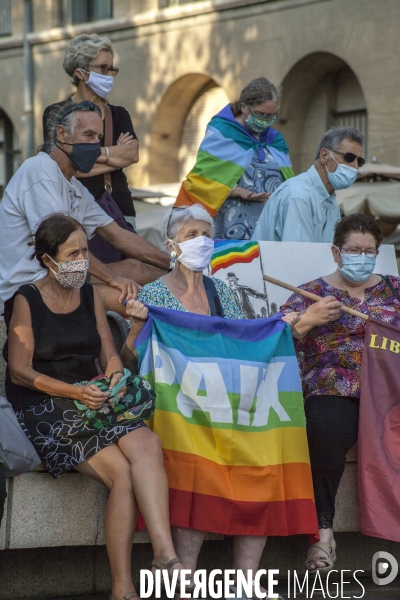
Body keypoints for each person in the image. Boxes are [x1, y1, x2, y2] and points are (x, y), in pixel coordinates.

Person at [2, 214, 183, 600]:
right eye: (73, 253)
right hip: (48, 405)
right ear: (49, 260)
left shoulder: (88, 293)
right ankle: (122, 587)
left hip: (94, 397)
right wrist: (76, 392)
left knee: (148, 445)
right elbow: (19, 371)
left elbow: (109, 353)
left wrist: (115, 374)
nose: (82, 260)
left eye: (84, 250)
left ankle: (166, 556)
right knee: (121, 474)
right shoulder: (26, 299)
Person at [121, 205, 295, 598]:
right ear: (171, 246)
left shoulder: (224, 292)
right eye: (190, 235)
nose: (202, 241)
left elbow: (244, 341)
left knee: (261, 462)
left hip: (225, 408)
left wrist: (286, 326)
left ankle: (245, 582)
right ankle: (184, 579)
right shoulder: (153, 294)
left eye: (206, 233)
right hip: (174, 413)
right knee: (194, 465)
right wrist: (134, 325)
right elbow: (130, 359)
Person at [280, 213, 400, 573]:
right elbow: (276, 336)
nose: (360, 257)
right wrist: (308, 319)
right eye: (352, 250)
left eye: (368, 251)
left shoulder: (395, 290)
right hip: (335, 386)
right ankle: (322, 535)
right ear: (336, 252)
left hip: (391, 390)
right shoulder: (310, 293)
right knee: (323, 429)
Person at [0, 101, 169, 316]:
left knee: (137, 268)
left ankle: (191, 293)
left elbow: (120, 236)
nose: (95, 146)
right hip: (30, 286)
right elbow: (63, 246)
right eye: (88, 136)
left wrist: (177, 264)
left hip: (65, 276)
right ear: (61, 134)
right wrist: (114, 279)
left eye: (98, 138)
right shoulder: (40, 170)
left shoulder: (75, 186)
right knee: (135, 302)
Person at [175, 77, 294, 240]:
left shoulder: (276, 140)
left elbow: (287, 183)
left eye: (270, 116)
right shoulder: (222, 132)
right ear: (244, 107)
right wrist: (238, 191)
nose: (265, 121)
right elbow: (203, 181)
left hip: (268, 229)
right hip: (228, 227)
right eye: (260, 114)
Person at [43, 33, 138, 229]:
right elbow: (62, 168)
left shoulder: (119, 114)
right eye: (103, 68)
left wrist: (82, 155)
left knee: (130, 259)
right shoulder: (55, 113)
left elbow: (132, 154)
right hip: (74, 212)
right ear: (80, 72)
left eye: (111, 68)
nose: (109, 74)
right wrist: (115, 158)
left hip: (119, 209)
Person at [252, 127, 365, 243]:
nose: (356, 166)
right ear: (324, 156)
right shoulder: (299, 195)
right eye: (349, 157)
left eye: (360, 161)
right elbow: (299, 255)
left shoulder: (329, 198)